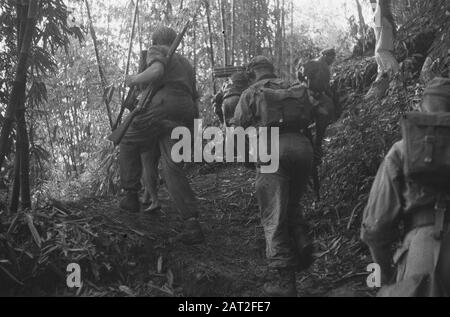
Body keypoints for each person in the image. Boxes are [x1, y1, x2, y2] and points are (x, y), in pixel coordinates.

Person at [233, 56, 315, 297]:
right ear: (271, 69)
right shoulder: (292, 86)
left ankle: (284, 282)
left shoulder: (250, 92)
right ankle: (301, 240)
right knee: (291, 204)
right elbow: (314, 114)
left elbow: (237, 128)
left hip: (270, 151)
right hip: (302, 148)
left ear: (251, 73)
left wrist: (247, 159)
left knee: (273, 216)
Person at [361, 77, 450, 297]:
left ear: (421, 108)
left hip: (423, 255)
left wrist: (385, 276)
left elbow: (376, 228)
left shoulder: (402, 151)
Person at [120, 27, 204, 245]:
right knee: (172, 165)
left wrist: (133, 78)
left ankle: (131, 196)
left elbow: (156, 72)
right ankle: (191, 223)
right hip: (184, 110)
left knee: (128, 140)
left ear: (155, 41)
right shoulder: (185, 62)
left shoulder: (157, 50)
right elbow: (194, 96)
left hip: (162, 105)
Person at [297, 48, 340, 163]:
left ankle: (318, 143)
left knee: (327, 110)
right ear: (326, 56)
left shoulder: (324, 66)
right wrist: (306, 88)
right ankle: (311, 143)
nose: (333, 60)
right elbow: (300, 75)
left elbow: (324, 85)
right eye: (331, 57)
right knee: (306, 117)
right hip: (308, 94)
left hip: (319, 95)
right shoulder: (314, 64)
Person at [366, 0, 400, 99]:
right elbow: (378, 5)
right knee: (395, 71)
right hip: (382, 52)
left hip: (383, 51)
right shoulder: (378, 18)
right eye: (386, 4)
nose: (388, 5)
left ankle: (370, 98)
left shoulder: (386, 18)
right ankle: (396, 95)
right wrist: (378, 3)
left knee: (381, 76)